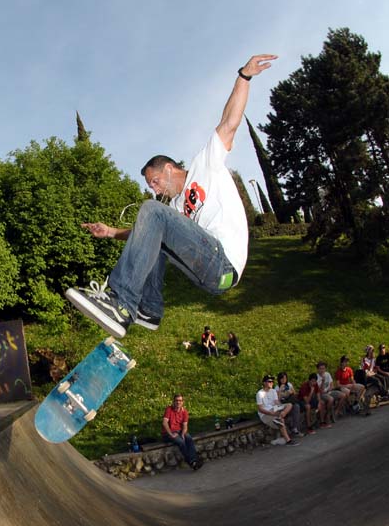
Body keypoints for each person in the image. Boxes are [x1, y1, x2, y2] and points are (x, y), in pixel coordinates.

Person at [65, 55, 278, 338]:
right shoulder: (175, 208)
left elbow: (229, 123)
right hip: (207, 276)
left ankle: (121, 303)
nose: (155, 189)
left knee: (152, 210)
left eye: (155, 181)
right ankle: (150, 308)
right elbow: (144, 234)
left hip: (223, 262)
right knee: (154, 227)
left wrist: (244, 76)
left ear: (168, 168)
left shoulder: (205, 164)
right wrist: (111, 232)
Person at [162, 393, 203, 470]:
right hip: (167, 433)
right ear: (173, 401)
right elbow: (164, 423)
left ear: (182, 402)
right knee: (181, 442)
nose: (178, 402)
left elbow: (185, 425)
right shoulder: (169, 409)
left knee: (189, 438)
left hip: (179, 431)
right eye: (176, 400)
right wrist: (171, 434)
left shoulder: (184, 412)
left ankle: (194, 461)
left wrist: (183, 433)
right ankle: (192, 462)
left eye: (180, 400)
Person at [256, 375, 300, 446]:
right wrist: (270, 413)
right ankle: (288, 441)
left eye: (272, 381)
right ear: (264, 383)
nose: (271, 383)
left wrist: (282, 408)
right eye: (269, 381)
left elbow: (277, 402)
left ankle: (281, 416)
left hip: (274, 409)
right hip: (265, 414)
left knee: (289, 405)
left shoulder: (273, 391)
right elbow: (260, 409)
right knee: (281, 421)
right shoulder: (259, 393)